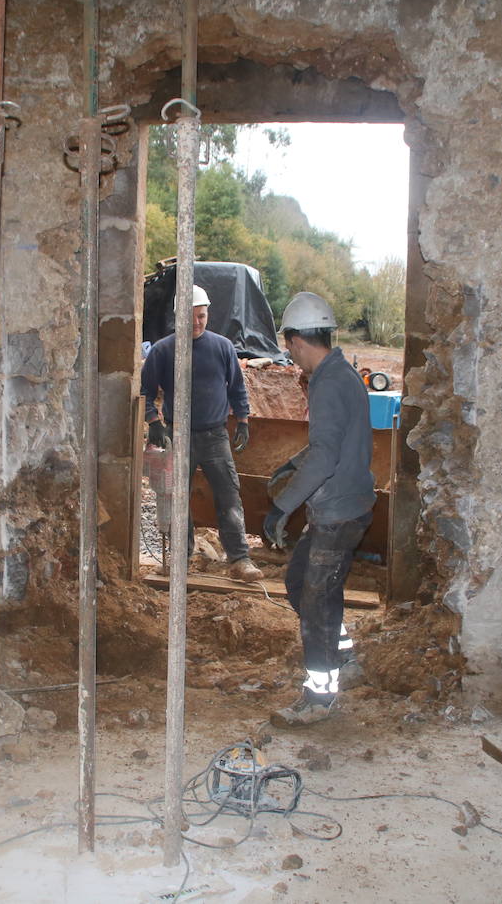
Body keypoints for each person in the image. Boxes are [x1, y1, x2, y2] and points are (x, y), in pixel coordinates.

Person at [262, 291, 376, 726]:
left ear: (296, 341)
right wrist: (292, 466)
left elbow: (326, 455)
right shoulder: (343, 374)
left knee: (314, 600)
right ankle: (342, 654)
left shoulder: (328, 382)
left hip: (337, 513)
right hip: (347, 506)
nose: (291, 359)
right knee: (302, 584)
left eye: (289, 349)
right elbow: (333, 443)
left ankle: (319, 697)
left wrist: (282, 508)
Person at [141, 284, 263, 583]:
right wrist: (153, 422)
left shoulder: (222, 347)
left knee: (229, 495)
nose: (197, 323)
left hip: (215, 436)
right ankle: (179, 559)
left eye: (203, 316)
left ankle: (239, 559)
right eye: (192, 317)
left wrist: (244, 420)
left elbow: (236, 387)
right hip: (177, 435)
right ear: (178, 316)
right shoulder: (163, 350)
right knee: (175, 497)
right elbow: (145, 391)